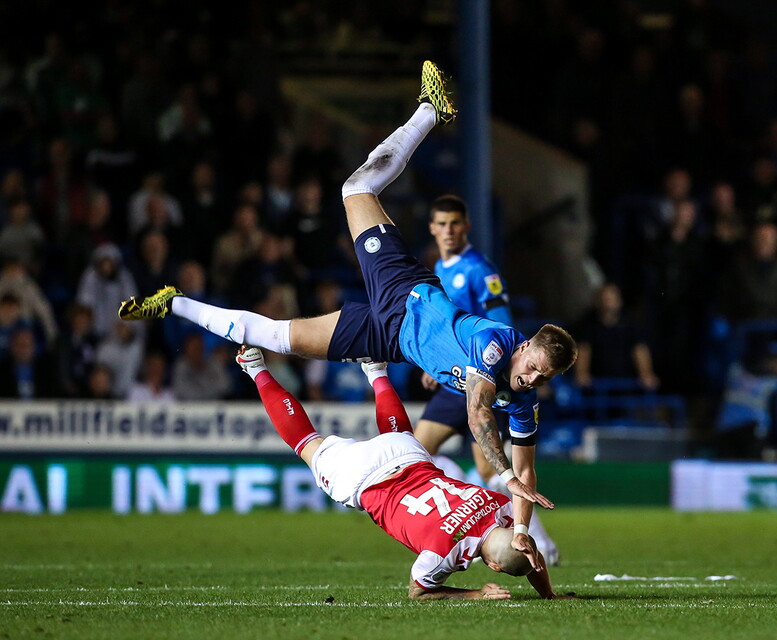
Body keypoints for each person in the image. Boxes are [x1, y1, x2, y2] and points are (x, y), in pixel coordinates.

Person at [118, 62, 578, 524]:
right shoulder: (495, 344)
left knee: (274, 338)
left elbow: (527, 469)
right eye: (534, 367)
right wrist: (505, 474)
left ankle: (172, 301)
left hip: (389, 338)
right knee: (356, 188)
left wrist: (522, 528)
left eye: (543, 378)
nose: (533, 379)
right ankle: (429, 111)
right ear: (524, 347)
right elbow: (478, 413)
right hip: (406, 295)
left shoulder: (524, 400)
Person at [235, 345, 571, 601]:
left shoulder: (498, 503)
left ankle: (376, 371)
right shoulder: (442, 554)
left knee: (400, 435)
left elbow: (529, 553)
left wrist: (548, 591)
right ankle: (255, 367)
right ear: (494, 567)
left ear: (512, 530)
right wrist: (474, 593)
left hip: (406, 456)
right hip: (364, 479)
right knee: (306, 442)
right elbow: (418, 591)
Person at [414, 194, 560, 565]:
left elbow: (502, 325)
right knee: (431, 455)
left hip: (486, 378)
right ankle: (504, 530)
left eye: (454, 223)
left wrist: (487, 370)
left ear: (466, 226)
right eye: (441, 224)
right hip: (457, 378)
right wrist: (439, 363)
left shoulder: (479, 270)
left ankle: (535, 541)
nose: (448, 231)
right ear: (432, 228)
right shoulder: (442, 267)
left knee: (463, 461)